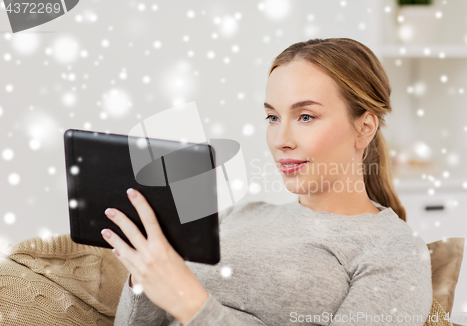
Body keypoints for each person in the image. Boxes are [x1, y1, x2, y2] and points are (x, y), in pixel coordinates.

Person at [106, 38, 433, 325]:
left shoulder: (394, 250)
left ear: (364, 128)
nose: (281, 140)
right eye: (273, 117)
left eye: (306, 116)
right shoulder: (238, 216)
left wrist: (189, 301)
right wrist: (145, 275)